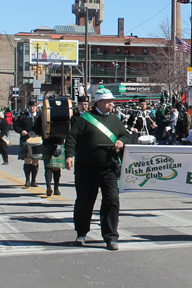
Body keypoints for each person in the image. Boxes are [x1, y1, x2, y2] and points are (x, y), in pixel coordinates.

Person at [65, 86, 131, 250]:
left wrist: (121, 142)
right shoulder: (85, 119)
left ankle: (110, 236)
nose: (111, 104)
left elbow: (125, 135)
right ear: (98, 102)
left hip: (109, 167)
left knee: (112, 200)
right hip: (86, 167)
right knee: (85, 201)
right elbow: (72, 137)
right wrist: (68, 156)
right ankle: (81, 232)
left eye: (111, 102)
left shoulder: (115, 119)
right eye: (108, 102)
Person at [33, 101, 66, 196]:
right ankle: (52, 188)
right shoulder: (43, 116)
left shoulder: (43, 115)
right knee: (52, 167)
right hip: (53, 142)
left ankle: (53, 188)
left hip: (55, 142)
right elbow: (36, 128)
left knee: (51, 167)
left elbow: (35, 128)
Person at [13, 100, 40, 187]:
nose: (32, 108)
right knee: (27, 160)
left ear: (36, 107)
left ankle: (34, 180)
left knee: (35, 161)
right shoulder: (23, 116)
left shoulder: (40, 116)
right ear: (28, 107)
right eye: (30, 106)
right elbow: (15, 126)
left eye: (34, 106)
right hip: (25, 140)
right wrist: (21, 131)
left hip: (37, 141)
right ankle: (27, 180)